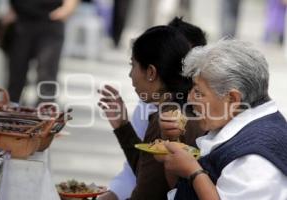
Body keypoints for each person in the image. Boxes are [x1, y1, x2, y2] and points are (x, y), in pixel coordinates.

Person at [156, 39, 287, 200]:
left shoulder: (254, 161)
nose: (190, 99)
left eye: (199, 93)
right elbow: (181, 192)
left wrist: (194, 172)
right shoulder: (231, 126)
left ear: (232, 99)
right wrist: (172, 143)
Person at [98, 18, 206, 200]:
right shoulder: (187, 107)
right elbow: (148, 171)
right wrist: (123, 126)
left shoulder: (167, 118)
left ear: (151, 72)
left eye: (133, 65)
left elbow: (147, 193)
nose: (130, 75)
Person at [4, 0, 79, 104]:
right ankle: (9, 111)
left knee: (47, 74)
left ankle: (45, 112)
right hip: (22, 20)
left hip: (50, 21)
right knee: (16, 74)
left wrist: (67, 8)